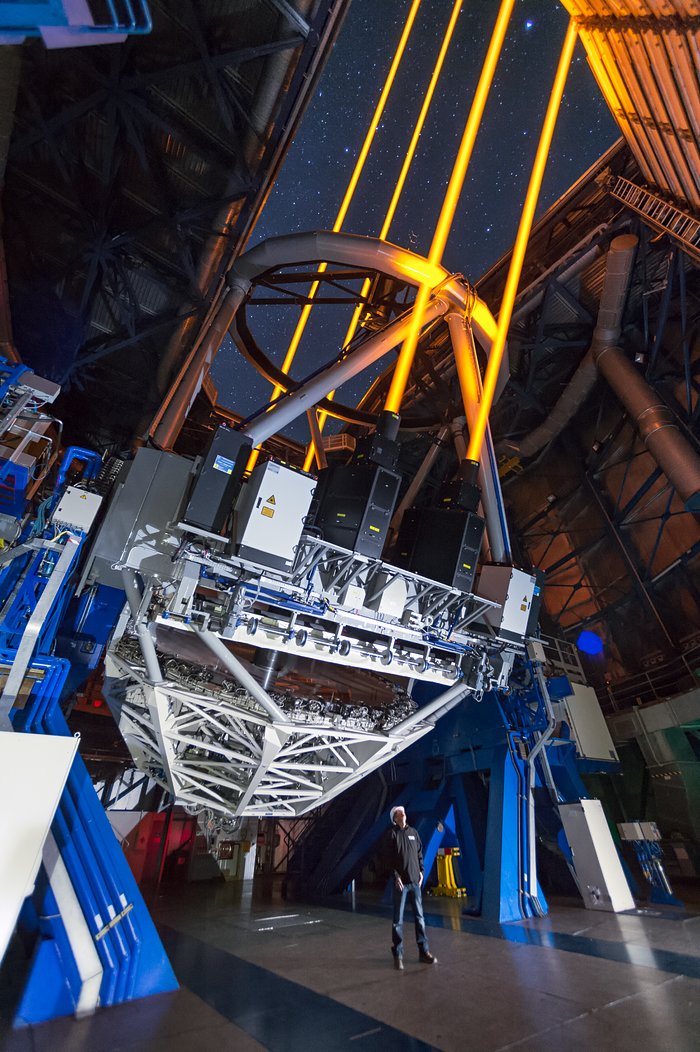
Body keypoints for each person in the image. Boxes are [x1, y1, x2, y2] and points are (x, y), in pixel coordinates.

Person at [384, 805, 437, 970]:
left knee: (420, 918)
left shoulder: (413, 832)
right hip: (401, 885)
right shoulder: (392, 835)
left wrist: (422, 871)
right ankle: (398, 955)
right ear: (395, 818)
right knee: (397, 921)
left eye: (404, 811)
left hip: (415, 882)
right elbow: (387, 858)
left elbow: (419, 853)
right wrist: (395, 875)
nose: (403, 813)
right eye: (400, 813)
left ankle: (424, 952)